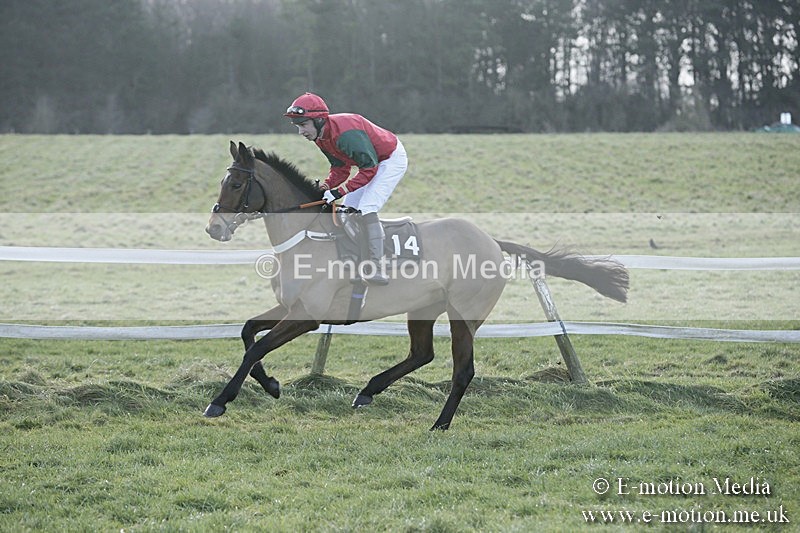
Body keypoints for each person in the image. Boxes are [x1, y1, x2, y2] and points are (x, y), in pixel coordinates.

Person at [284, 92, 408, 285]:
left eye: (303, 125)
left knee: (366, 208)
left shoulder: (346, 134)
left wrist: (339, 191)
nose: (301, 132)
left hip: (389, 159)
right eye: (298, 126)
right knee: (347, 211)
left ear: (318, 121)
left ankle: (376, 266)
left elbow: (369, 169)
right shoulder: (320, 137)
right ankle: (356, 259)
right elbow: (341, 168)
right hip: (369, 162)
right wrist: (325, 187)